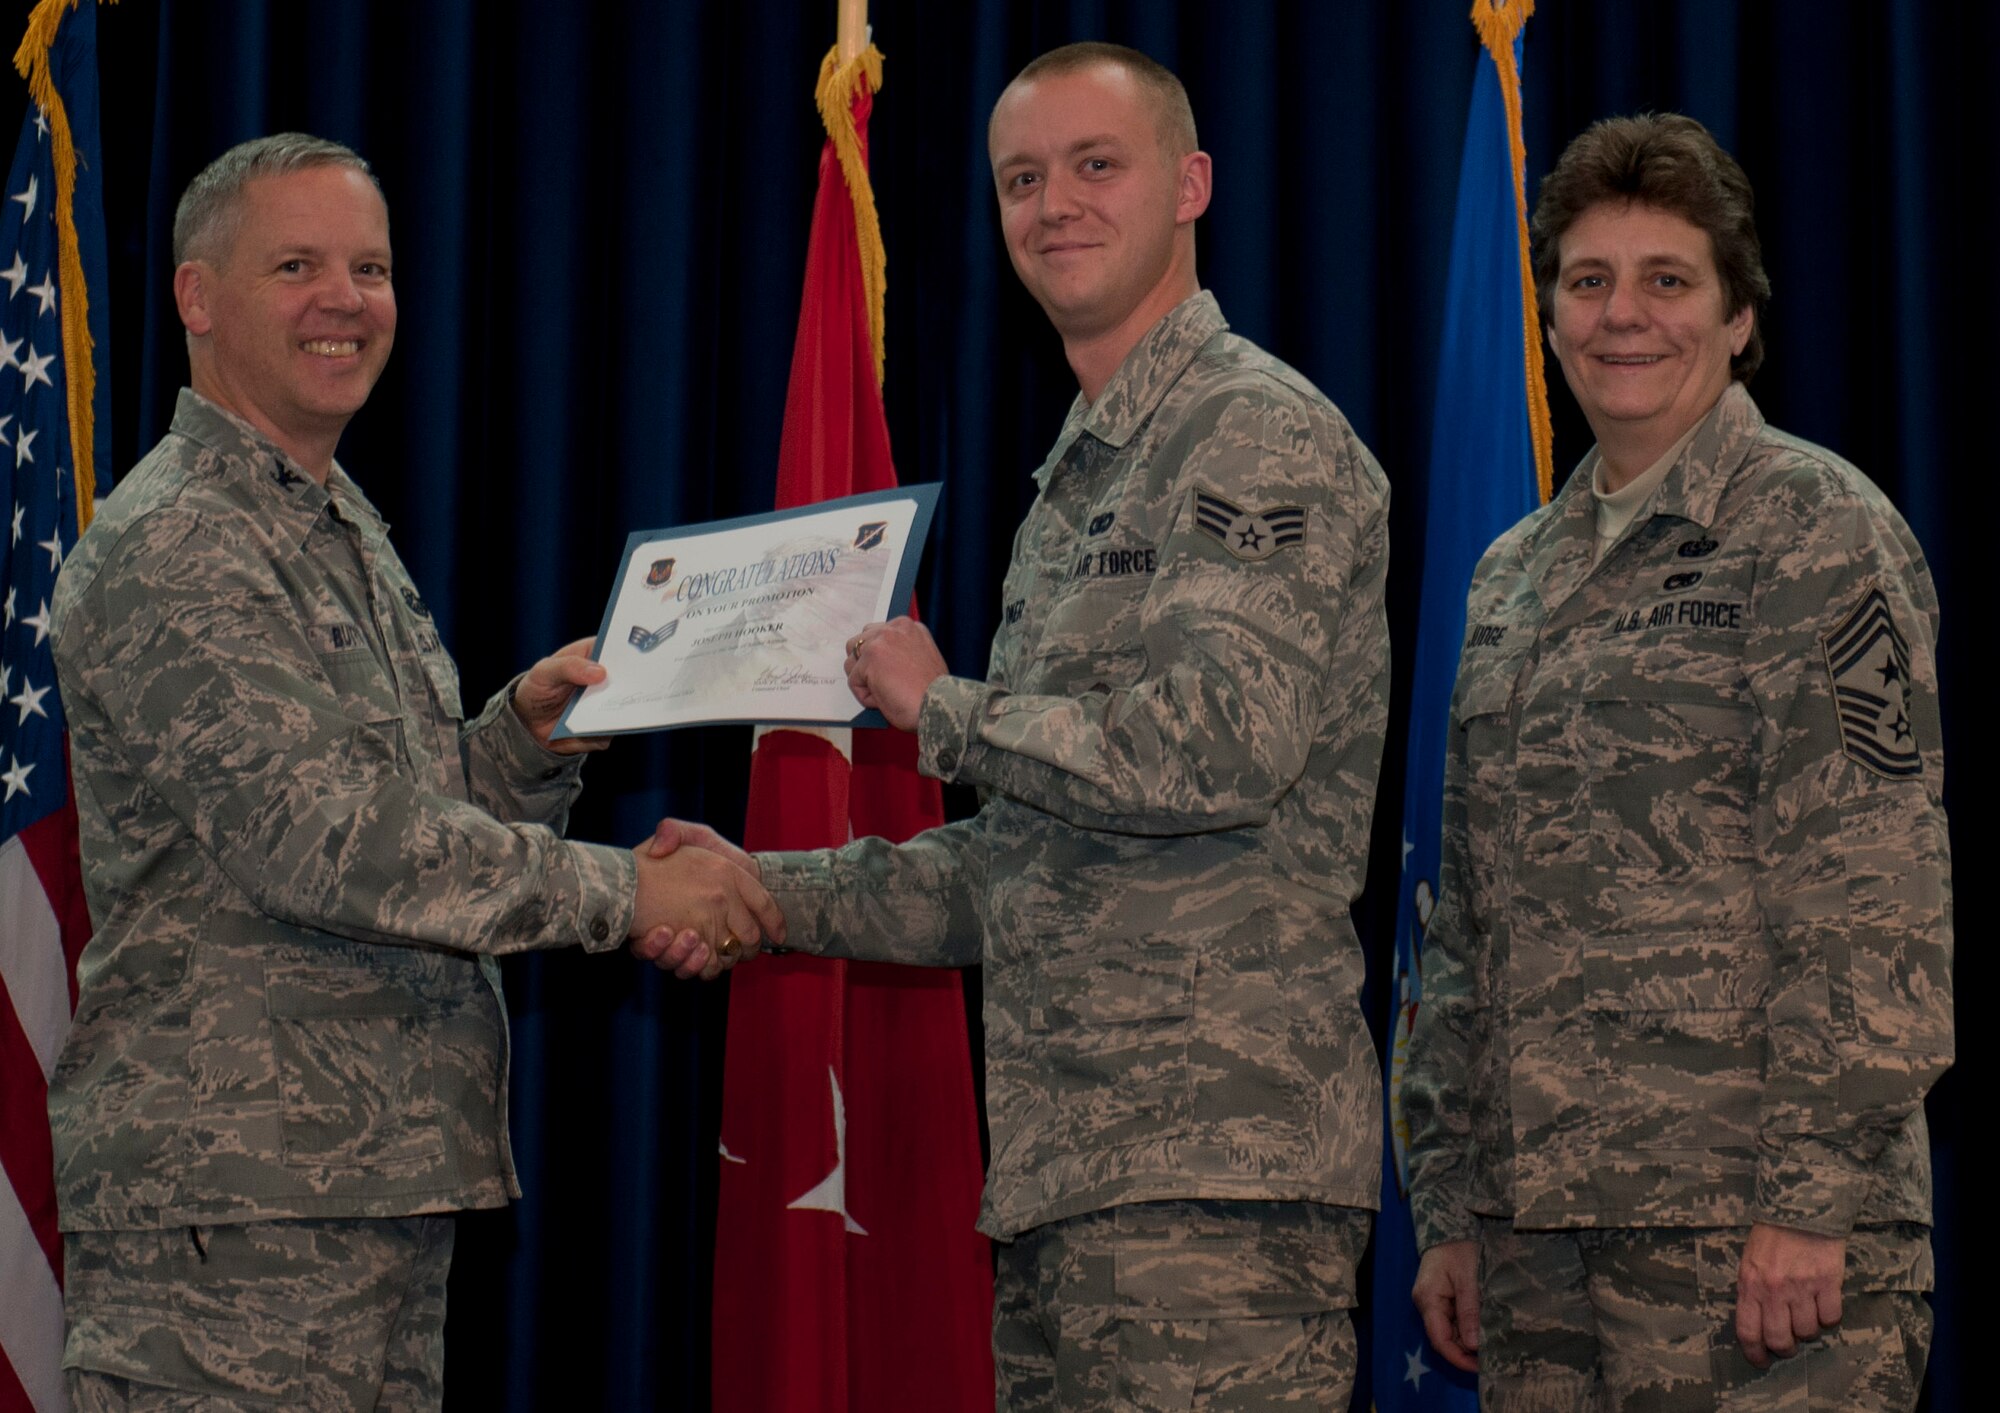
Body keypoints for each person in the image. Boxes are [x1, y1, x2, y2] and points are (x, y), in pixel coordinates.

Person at [665, 41, 1391, 1407]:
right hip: (1073, 1182)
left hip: (1214, 1182)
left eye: (1094, 165)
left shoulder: (1253, 436)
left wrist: (941, 708)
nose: (1054, 204)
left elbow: (1220, 744)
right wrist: (760, 891)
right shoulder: (1078, 484)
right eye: (1021, 178)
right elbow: (1015, 866)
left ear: (1191, 185)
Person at [47, 133, 781, 1408]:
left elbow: (395, 816)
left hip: (365, 1185)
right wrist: (628, 896)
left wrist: (518, 745)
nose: (346, 299)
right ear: (198, 297)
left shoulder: (332, 526)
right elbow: (322, 843)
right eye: (297, 265)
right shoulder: (180, 546)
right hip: (240, 1215)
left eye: (370, 267)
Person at [1400, 114, 1952, 1411]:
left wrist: (1812, 1197)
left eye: (1668, 281)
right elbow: (1469, 919)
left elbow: (1877, 894)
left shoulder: (1818, 531)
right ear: (1547, 316)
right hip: (1536, 1248)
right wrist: (1454, 1201)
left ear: (1739, 315)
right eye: (1588, 282)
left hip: (1754, 1252)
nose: (1622, 316)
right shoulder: (1511, 579)